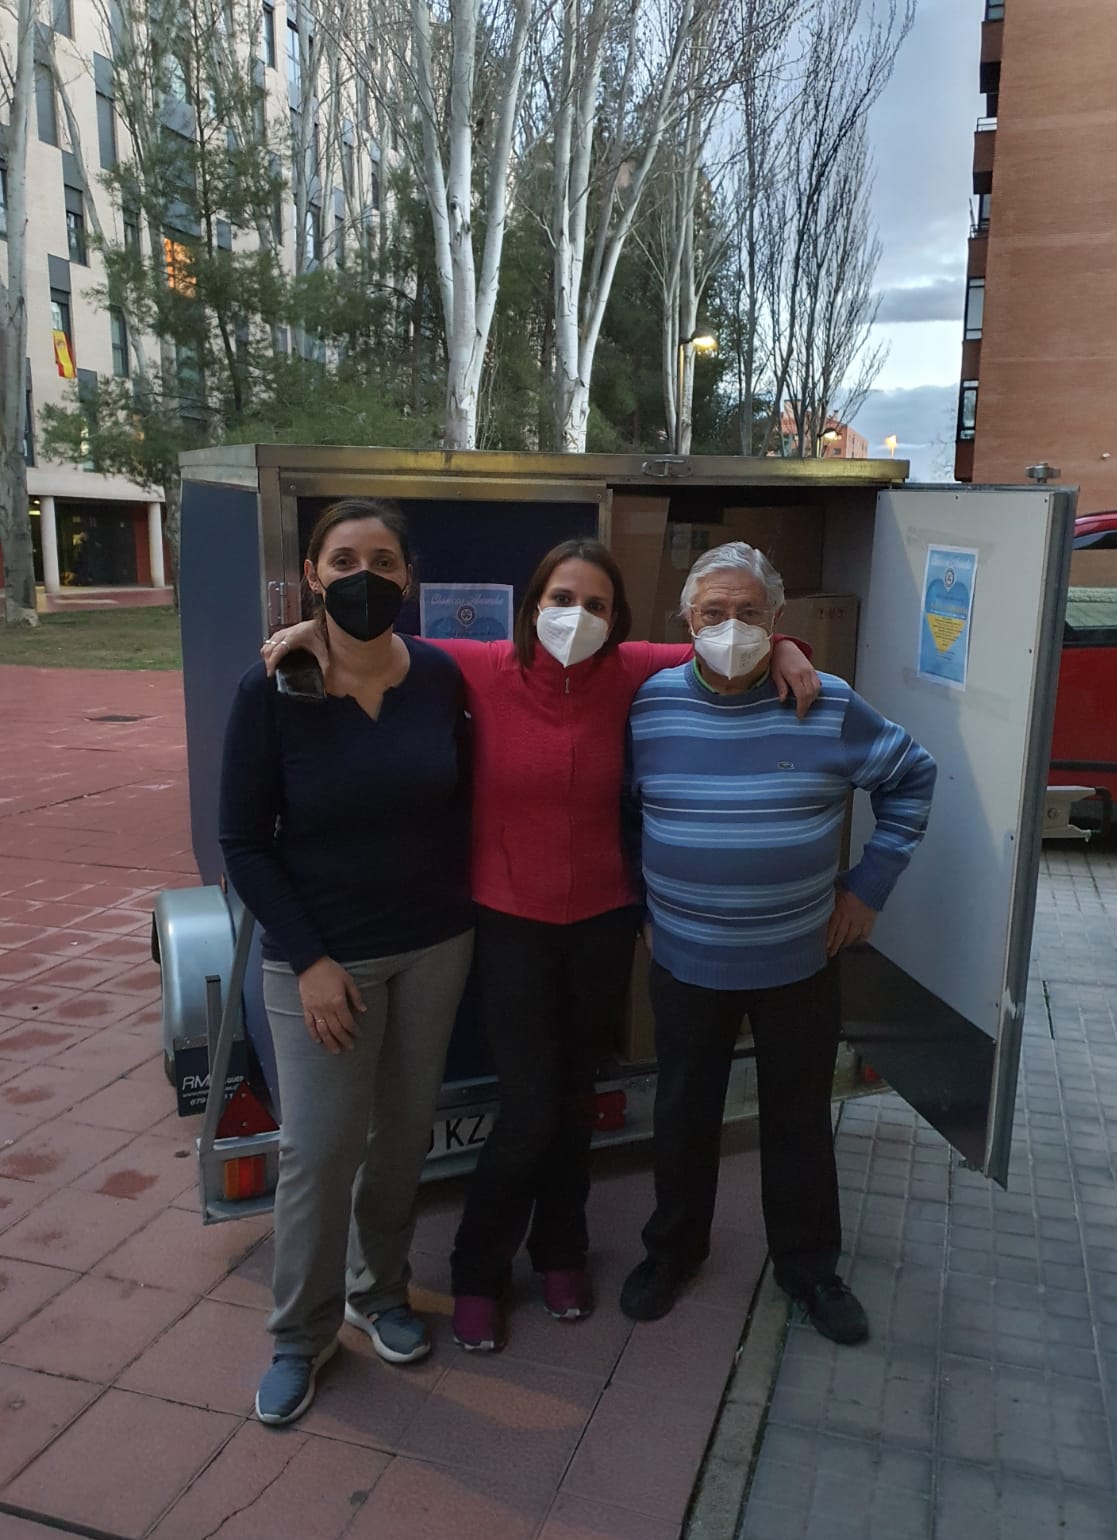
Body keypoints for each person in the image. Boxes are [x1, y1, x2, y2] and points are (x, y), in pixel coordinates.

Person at [263, 534, 821, 1355]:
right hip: (510, 921)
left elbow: (723, 631)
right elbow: (379, 645)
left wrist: (787, 647)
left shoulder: (630, 670)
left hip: (603, 921)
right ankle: (479, 1266)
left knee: (571, 1102)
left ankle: (560, 1249)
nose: (576, 617)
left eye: (595, 605)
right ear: (532, 608)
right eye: (561, 600)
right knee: (528, 1110)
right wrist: (311, 631)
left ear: (618, 620)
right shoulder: (482, 667)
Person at [619, 541, 936, 1345]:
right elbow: (622, 814)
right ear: (687, 620)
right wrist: (641, 907)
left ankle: (809, 1269)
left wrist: (868, 888)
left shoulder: (824, 703)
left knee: (796, 1119)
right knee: (684, 1114)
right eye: (714, 613)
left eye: (751, 614)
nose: (732, 628)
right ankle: (673, 1253)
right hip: (685, 960)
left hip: (798, 960)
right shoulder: (649, 705)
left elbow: (913, 778)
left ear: (779, 621)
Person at [220, 499, 475, 1425]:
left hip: (436, 946)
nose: (361, 574)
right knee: (320, 1154)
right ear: (314, 577)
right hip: (322, 960)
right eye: (341, 559)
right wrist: (312, 960)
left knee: (402, 1139)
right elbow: (242, 843)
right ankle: (301, 1335)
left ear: (408, 577)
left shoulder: (444, 676)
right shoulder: (274, 687)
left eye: (381, 559)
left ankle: (380, 1294)